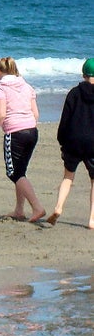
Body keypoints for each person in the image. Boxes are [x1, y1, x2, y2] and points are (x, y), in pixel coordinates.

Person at [0, 57, 45, 222]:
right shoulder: (27, 86)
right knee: (21, 172)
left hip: (15, 132)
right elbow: (36, 114)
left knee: (13, 173)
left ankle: (37, 207)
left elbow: (1, 114)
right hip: (32, 131)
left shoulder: (0, 87)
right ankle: (19, 210)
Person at [47, 58, 94, 229]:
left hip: (73, 141)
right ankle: (92, 220)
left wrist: (62, 140)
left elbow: (65, 120)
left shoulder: (74, 93)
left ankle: (58, 207)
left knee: (68, 177)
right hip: (93, 144)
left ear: (83, 75)